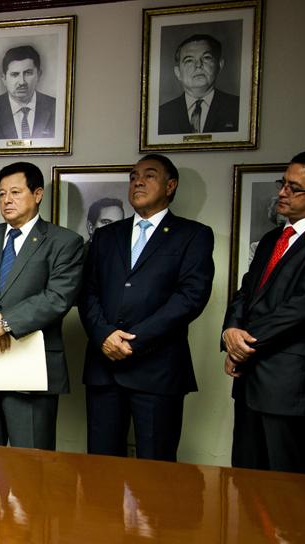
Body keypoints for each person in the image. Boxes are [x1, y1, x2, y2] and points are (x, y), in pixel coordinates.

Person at [78, 154, 214, 461]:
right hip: (104, 366)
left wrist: (132, 341)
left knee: (157, 470)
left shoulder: (192, 235)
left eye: (149, 175)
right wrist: (105, 336)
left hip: (158, 370)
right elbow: (87, 293)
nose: (138, 181)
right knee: (100, 467)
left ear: (171, 185)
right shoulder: (105, 236)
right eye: (133, 176)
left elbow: (190, 297)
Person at [223, 150, 305, 474]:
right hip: (251, 378)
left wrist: (242, 345)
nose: (282, 192)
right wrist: (229, 332)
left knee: (287, 488)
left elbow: (302, 308)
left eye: (294, 188)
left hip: (290, 383)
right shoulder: (272, 238)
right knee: (246, 476)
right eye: (283, 183)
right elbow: (245, 291)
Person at [0, 161, 84, 449]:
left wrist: (6, 324)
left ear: (37, 194)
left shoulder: (65, 242)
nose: (6, 200)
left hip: (31, 372)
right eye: (1, 194)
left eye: (15, 192)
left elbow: (58, 296)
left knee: (31, 466)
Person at [158, 34, 240, 135]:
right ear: (178, 72)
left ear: (219, 65)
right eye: (189, 60)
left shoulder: (238, 108)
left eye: (206, 57)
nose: (198, 65)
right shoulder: (161, 114)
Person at [0, 45, 56, 140]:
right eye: (15, 75)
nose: (22, 82)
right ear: (4, 79)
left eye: (28, 73)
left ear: (39, 75)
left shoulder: (56, 107)